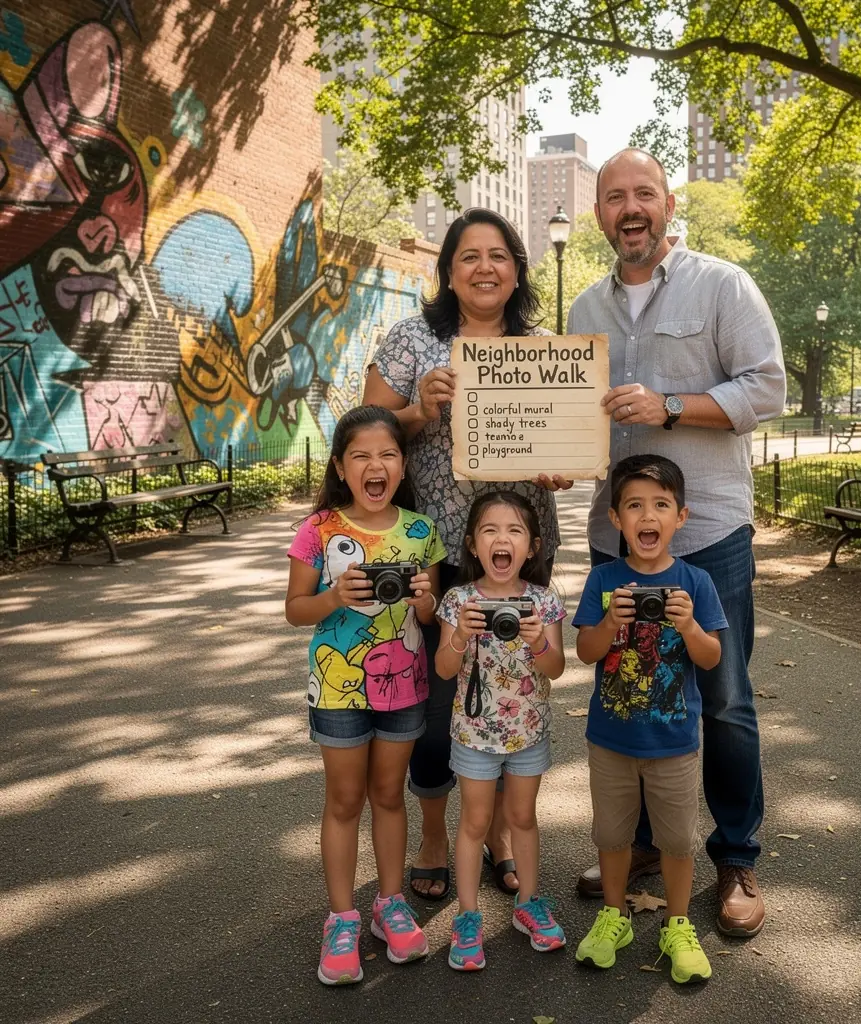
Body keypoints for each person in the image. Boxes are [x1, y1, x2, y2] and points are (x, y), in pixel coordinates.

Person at [561, 148, 786, 938]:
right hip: (614, 540)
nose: (631, 208)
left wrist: (668, 405)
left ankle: (735, 857)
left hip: (710, 531)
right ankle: (649, 845)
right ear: (598, 213)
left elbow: (767, 387)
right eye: (615, 196)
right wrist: (558, 460)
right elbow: (577, 419)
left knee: (722, 701)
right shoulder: (584, 309)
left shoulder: (723, 285)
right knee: (629, 688)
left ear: (667, 203)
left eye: (644, 194)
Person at [363, 208, 560, 901]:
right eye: (469, 255)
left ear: (517, 270)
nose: (485, 267)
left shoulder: (541, 349)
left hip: (518, 552)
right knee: (439, 695)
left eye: (499, 255)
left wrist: (557, 466)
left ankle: (501, 833)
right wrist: (419, 409)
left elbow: (559, 441)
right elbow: (367, 436)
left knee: (513, 687)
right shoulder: (414, 340)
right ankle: (436, 832)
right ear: (448, 270)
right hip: (434, 552)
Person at [284, 406, 445, 985]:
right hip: (337, 688)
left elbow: (430, 615)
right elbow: (294, 610)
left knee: (388, 795)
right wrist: (333, 596)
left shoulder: (422, 531)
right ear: (340, 466)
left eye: (387, 455)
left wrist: (426, 597)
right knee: (345, 800)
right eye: (361, 456)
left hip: (404, 685)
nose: (375, 465)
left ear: (402, 465)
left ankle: (390, 903)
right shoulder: (319, 529)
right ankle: (342, 916)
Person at [573, 455, 727, 984]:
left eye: (660, 505)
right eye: (634, 505)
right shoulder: (603, 579)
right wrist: (609, 622)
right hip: (611, 739)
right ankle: (613, 915)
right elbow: (586, 653)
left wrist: (687, 627)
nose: (648, 515)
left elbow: (711, 658)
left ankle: (677, 925)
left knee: (678, 841)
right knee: (612, 835)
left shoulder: (696, 582)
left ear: (680, 517)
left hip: (674, 742)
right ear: (616, 518)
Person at [436, 492, 567, 970]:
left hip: (528, 731)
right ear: (473, 545)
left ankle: (528, 904)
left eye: (514, 531)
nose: (501, 539)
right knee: (473, 823)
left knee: (523, 818)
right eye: (490, 530)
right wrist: (459, 636)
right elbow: (444, 667)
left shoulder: (543, 601)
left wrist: (537, 641)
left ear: (532, 547)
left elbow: (555, 668)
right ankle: (467, 916)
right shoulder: (459, 600)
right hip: (473, 734)